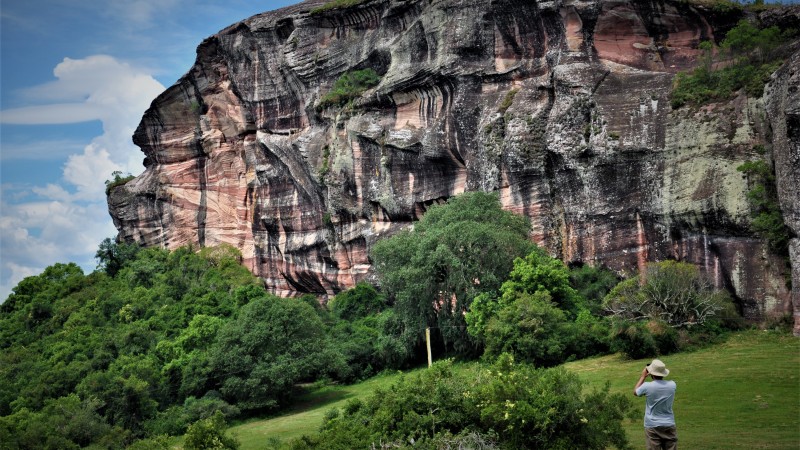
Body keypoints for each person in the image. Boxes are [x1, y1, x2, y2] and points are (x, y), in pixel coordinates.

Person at [633, 359, 677, 450]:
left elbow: (635, 392)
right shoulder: (672, 385)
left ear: (651, 373)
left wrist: (643, 376)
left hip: (652, 425)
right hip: (669, 423)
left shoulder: (647, 386)